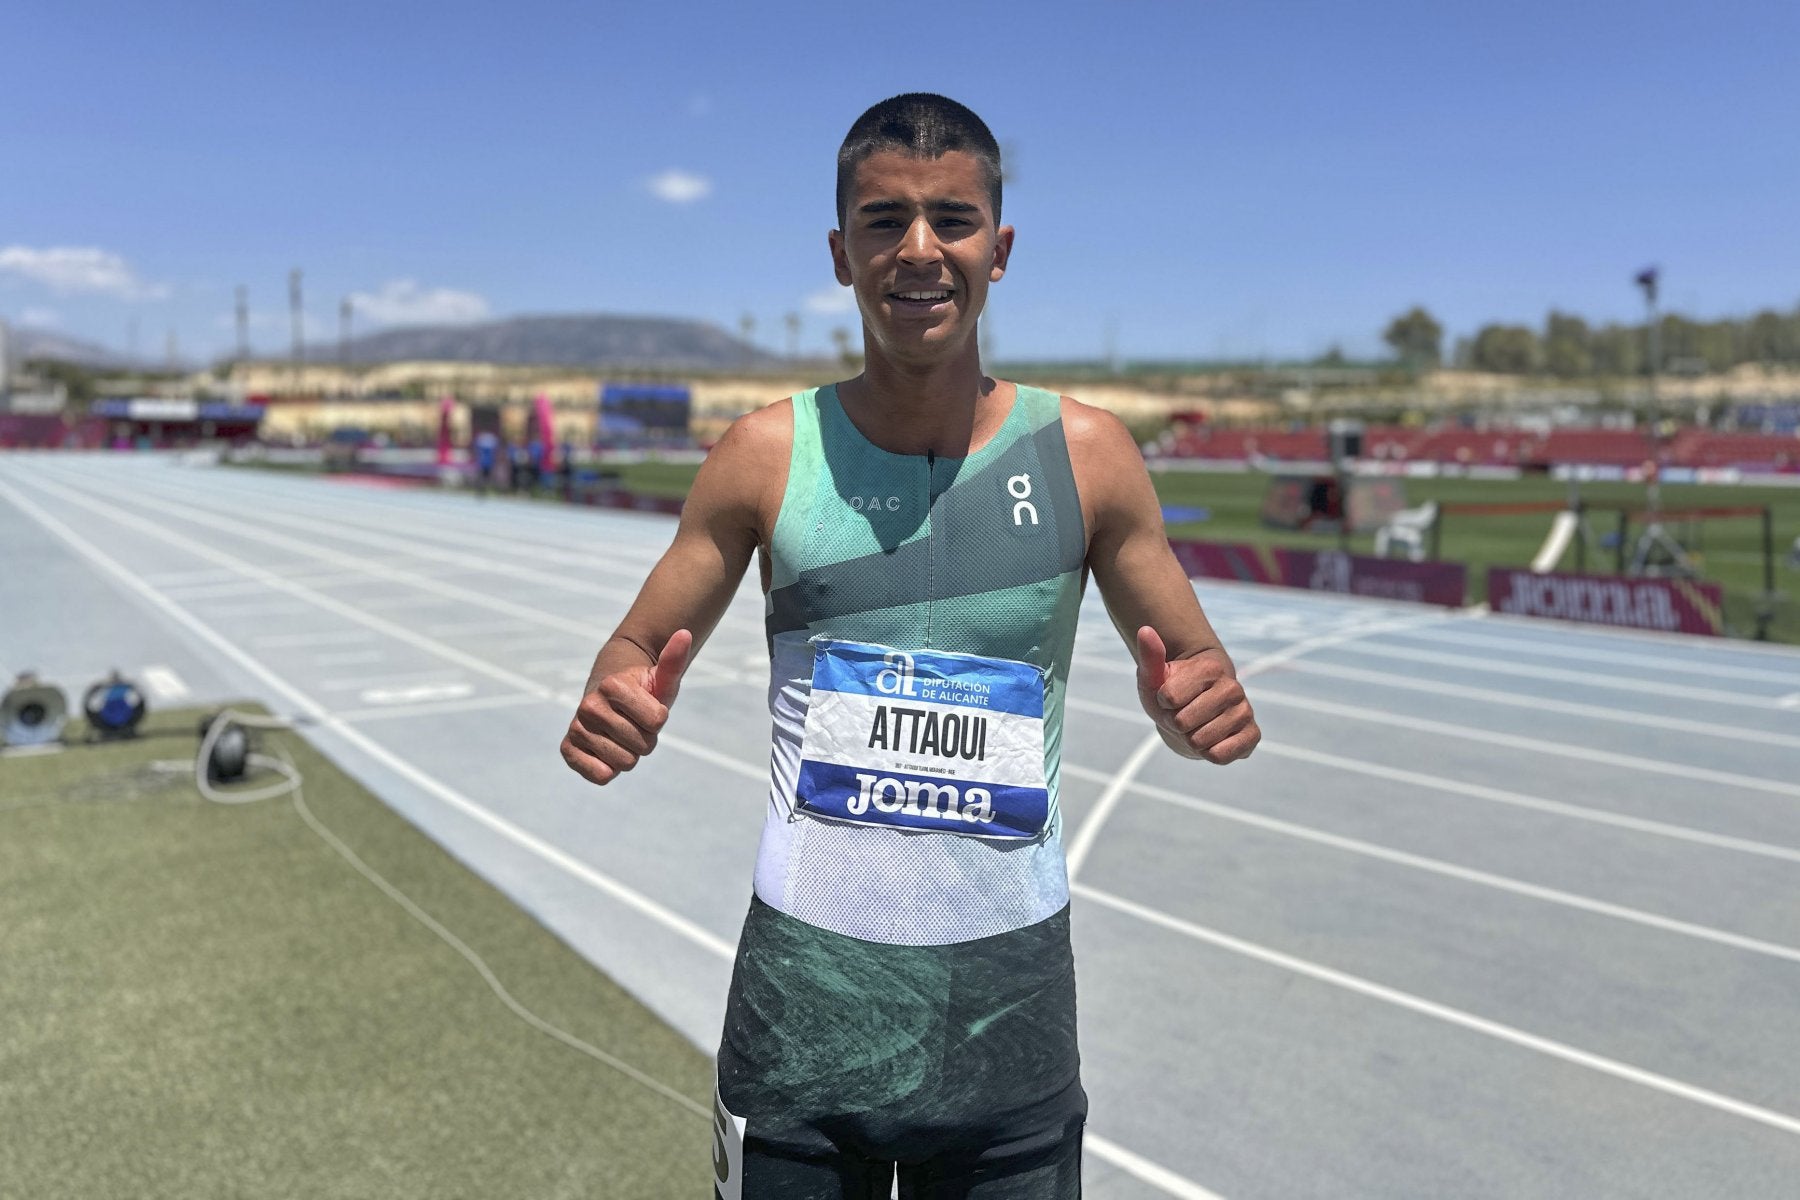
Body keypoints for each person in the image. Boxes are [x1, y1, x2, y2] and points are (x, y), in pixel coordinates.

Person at [562, 93, 1259, 1199]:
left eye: (953, 219)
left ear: (1001, 248)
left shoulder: (1090, 458)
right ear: (842, 255)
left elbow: (1196, 679)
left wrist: (1197, 714)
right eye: (885, 221)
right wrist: (612, 695)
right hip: (803, 1022)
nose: (920, 251)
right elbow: (633, 649)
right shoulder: (761, 457)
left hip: (1008, 1021)